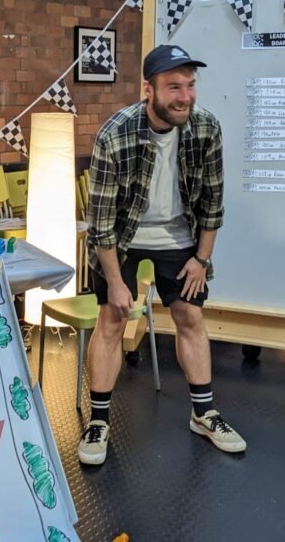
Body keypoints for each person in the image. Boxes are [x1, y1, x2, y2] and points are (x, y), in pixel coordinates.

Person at [79, 44, 245, 467]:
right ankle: (98, 421)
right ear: (148, 90)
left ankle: (204, 414)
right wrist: (116, 282)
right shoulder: (115, 134)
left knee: (190, 316)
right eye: (174, 87)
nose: (185, 96)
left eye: (190, 85)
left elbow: (212, 204)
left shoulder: (206, 128)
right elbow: (100, 222)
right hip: (122, 236)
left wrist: (201, 260)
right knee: (112, 319)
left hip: (179, 235)